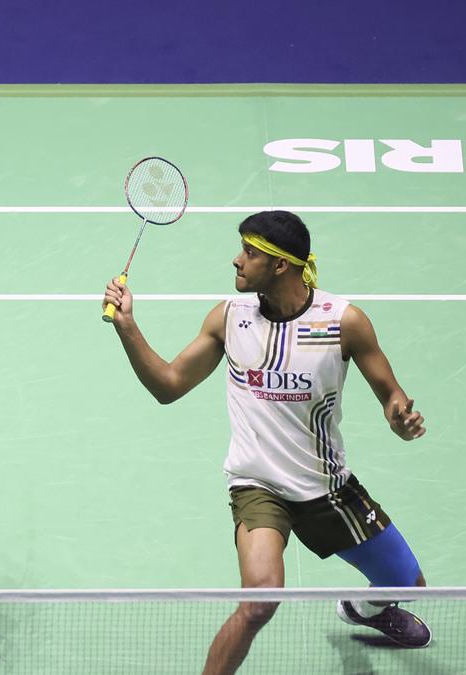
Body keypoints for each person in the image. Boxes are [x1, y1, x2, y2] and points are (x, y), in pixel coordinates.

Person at [102, 210, 431, 674]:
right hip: (258, 486)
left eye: (249, 253)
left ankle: (365, 609)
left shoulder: (343, 322)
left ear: (280, 265)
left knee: (410, 585)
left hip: (326, 487)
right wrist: (128, 327)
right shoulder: (229, 318)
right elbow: (169, 385)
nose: (236, 260)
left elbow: (390, 393)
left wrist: (400, 417)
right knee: (259, 602)